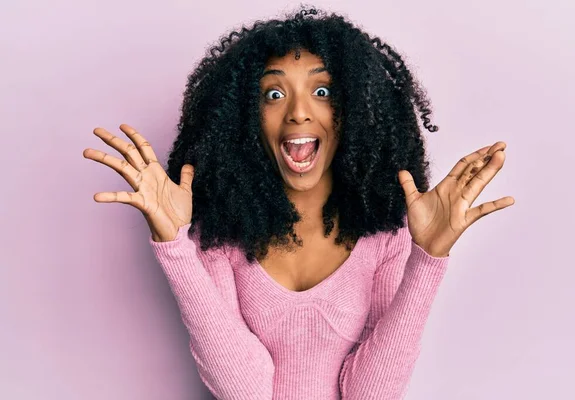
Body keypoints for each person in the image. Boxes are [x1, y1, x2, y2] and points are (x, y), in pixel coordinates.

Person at [82, 6, 514, 399]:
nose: (298, 112)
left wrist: (429, 258)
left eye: (322, 91)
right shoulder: (217, 235)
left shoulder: (387, 232)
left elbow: (370, 395)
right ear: (245, 118)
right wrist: (174, 247)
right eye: (274, 94)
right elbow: (245, 392)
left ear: (355, 112)